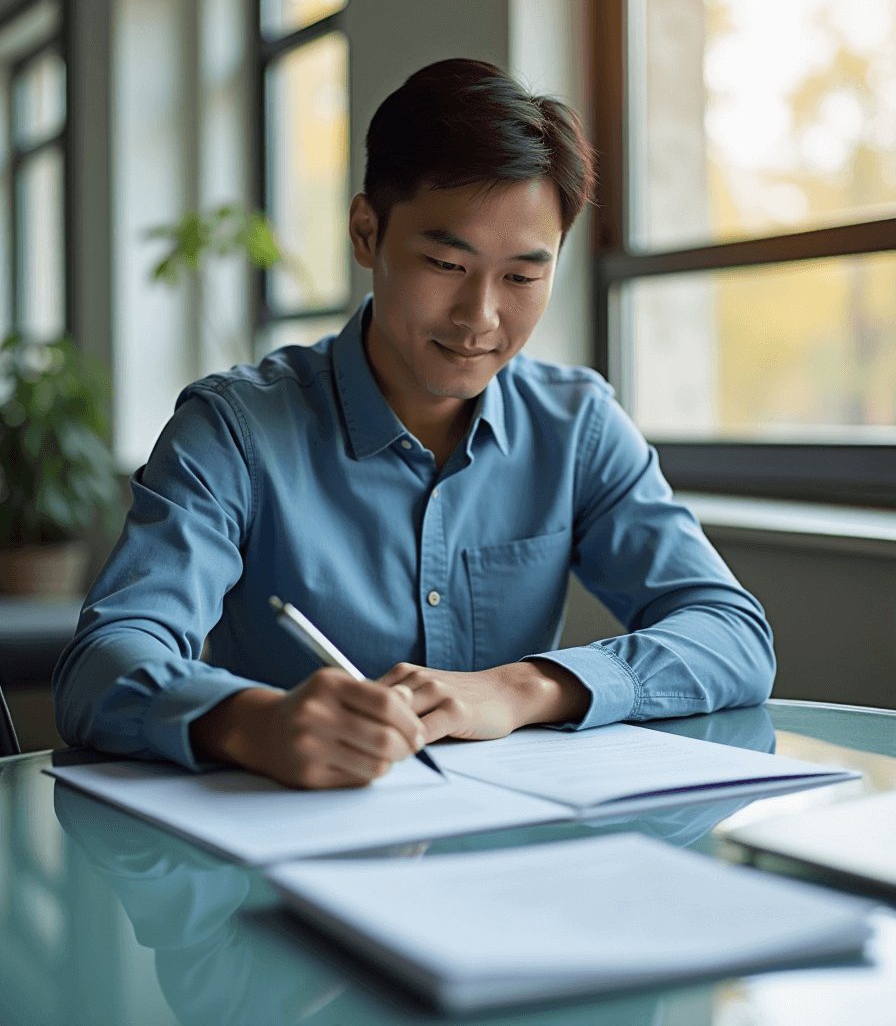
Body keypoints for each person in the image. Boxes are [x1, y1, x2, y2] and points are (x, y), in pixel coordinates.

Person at [53, 59, 774, 790]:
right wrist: (249, 721)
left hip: (509, 852)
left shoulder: (576, 424)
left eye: (523, 277)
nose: (480, 318)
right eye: (445, 263)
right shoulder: (235, 430)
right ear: (367, 233)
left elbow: (732, 636)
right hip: (283, 852)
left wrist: (520, 688)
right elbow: (104, 660)